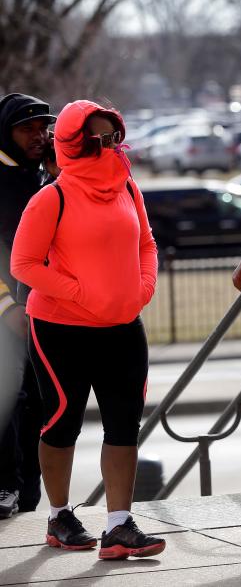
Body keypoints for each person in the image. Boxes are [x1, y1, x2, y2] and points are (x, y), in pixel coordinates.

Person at [11, 100, 165, 559]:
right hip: (61, 329)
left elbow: (147, 243)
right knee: (62, 424)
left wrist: (142, 287)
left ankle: (118, 525)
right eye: (101, 139)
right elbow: (23, 264)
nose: (114, 147)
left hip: (123, 325)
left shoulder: (127, 188)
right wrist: (81, 293)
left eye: (116, 136)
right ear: (76, 144)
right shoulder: (51, 197)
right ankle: (59, 516)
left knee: (124, 427)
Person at [0, 93, 53, 519]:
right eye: (27, 128)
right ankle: (4, 487)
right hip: (7, 315)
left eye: (43, 128)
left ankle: (31, 496)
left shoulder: (46, 177)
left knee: (40, 404)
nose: (38, 136)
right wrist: (6, 304)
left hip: (46, 310)